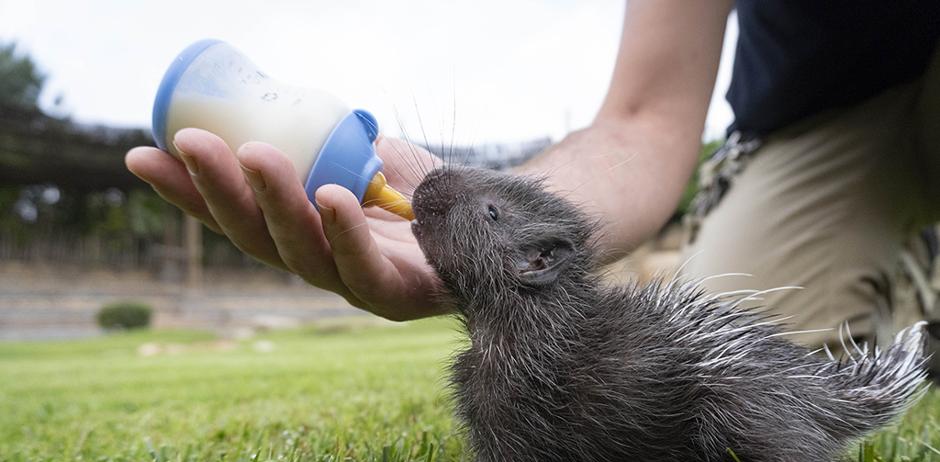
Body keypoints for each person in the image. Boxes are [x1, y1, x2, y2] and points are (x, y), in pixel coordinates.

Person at [126, 1, 940, 349]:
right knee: (728, 360)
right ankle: (910, 272)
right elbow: (642, 122)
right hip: (831, 116)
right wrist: (506, 209)